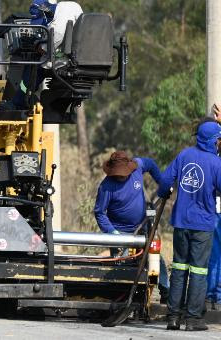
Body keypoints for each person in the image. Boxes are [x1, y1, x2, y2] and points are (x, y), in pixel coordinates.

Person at [157, 121, 221, 331]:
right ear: (213, 140)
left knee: (179, 268)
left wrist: (163, 193)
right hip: (202, 225)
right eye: (218, 139)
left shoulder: (184, 155)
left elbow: (166, 180)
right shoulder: (216, 162)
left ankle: (173, 317)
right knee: (199, 271)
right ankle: (193, 319)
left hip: (181, 223)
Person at [93, 151, 169, 301]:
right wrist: (111, 232)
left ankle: (165, 290)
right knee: (122, 266)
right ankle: (124, 297)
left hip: (143, 226)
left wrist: (162, 183)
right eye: (118, 174)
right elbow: (100, 213)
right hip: (119, 231)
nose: (121, 176)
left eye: (123, 173)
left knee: (154, 259)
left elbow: (152, 165)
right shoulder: (106, 187)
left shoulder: (138, 166)